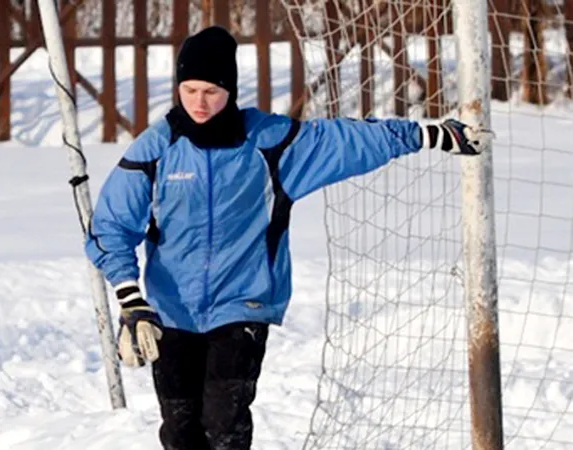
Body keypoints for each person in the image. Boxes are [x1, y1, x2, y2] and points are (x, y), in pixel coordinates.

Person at [84, 26, 490, 450]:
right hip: (169, 309)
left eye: (211, 91)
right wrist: (131, 298)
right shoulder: (156, 149)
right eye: (189, 90)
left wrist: (428, 135)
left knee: (224, 424)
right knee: (181, 430)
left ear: (231, 90)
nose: (199, 103)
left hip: (244, 302)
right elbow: (112, 226)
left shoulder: (270, 143)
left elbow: (349, 141)